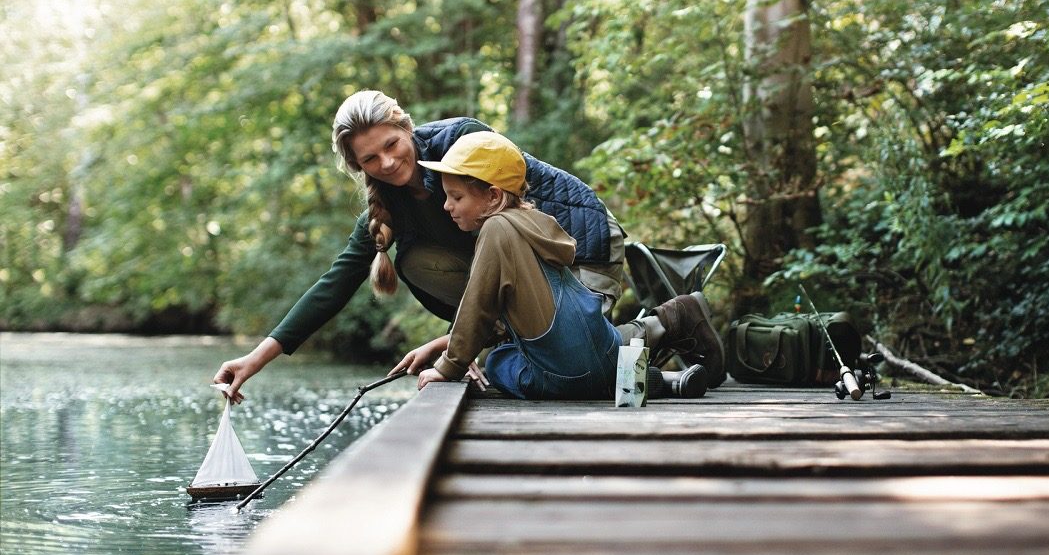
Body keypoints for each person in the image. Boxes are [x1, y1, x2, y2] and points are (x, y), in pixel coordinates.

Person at [214, 90, 626, 402]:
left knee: (571, 363)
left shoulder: (462, 141)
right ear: (359, 167)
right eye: (370, 159)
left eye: (391, 145)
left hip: (584, 249)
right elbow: (335, 283)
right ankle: (509, 343)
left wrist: (454, 351)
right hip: (532, 280)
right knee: (415, 261)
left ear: (406, 128)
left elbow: (509, 242)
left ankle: (655, 329)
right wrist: (255, 359)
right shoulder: (387, 210)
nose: (387, 163)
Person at [390, 130, 723, 399]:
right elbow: (507, 314)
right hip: (599, 353)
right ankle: (661, 371)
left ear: (493, 196)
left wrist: (449, 367)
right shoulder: (531, 223)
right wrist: (444, 343)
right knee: (531, 355)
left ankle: (651, 373)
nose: (446, 206)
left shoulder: (497, 228)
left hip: (566, 374)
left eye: (456, 196)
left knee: (498, 362)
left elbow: (480, 304)